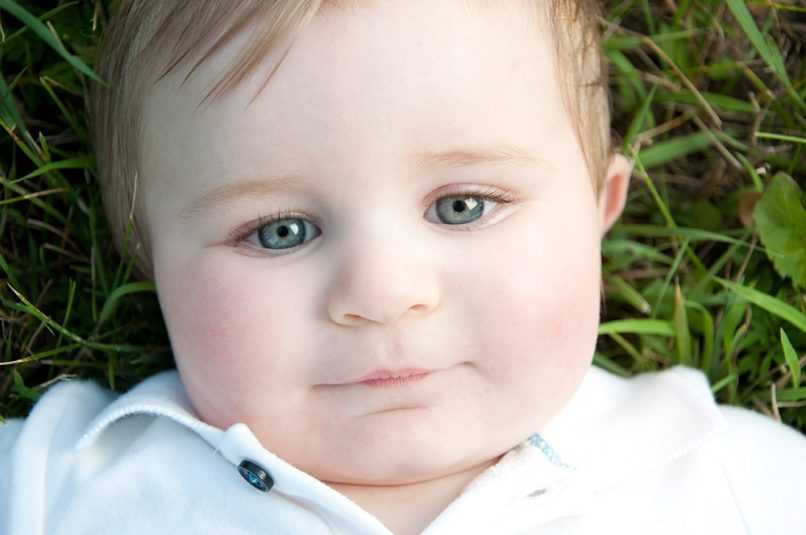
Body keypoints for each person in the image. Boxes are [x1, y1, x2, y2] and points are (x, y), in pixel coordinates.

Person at [2, 1, 805, 533]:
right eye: (281, 231)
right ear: (147, 254)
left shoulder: (729, 477)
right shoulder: (56, 482)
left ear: (599, 206)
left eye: (463, 206)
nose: (383, 294)